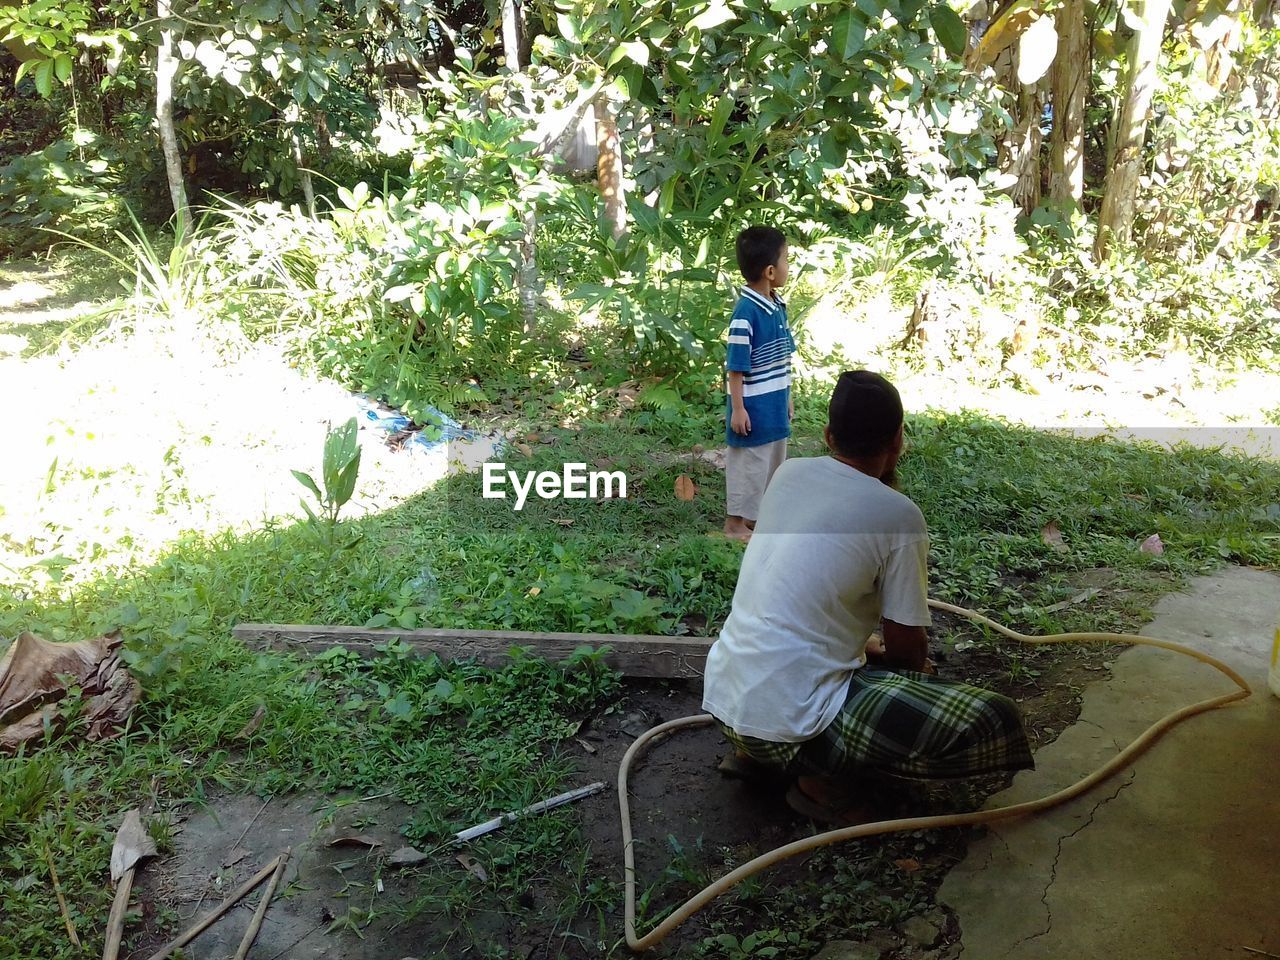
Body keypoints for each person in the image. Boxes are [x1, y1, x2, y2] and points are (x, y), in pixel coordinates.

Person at [702, 371, 1033, 824]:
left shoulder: (787, 473)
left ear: (828, 435)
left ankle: (757, 756)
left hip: (723, 701)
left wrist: (867, 651)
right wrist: (913, 674)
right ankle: (821, 782)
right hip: (791, 725)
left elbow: (807, 605)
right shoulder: (899, 515)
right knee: (994, 717)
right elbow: (907, 650)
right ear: (898, 440)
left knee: (829, 674)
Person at [723, 226, 796, 541]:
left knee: (771, 462)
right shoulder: (746, 313)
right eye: (786, 261)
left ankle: (756, 517)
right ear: (770, 271)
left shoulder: (777, 307)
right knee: (749, 466)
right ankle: (735, 523)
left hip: (774, 405)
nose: (788, 267)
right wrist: (738, 409)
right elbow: (736, 367)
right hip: (753, 408)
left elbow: (782, 358)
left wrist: (787, 397)